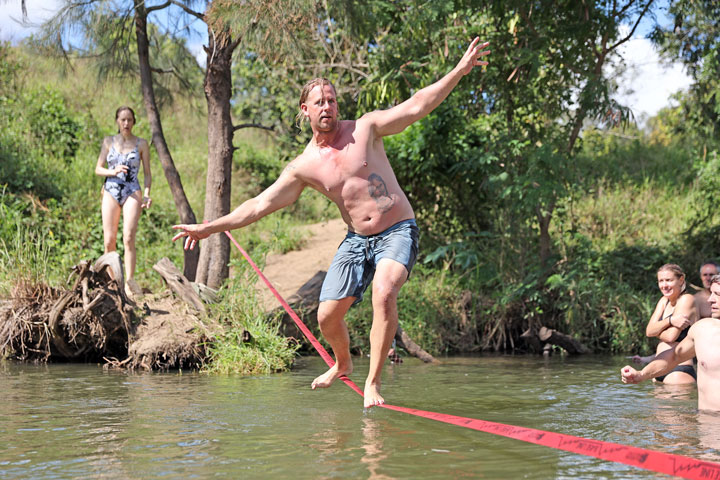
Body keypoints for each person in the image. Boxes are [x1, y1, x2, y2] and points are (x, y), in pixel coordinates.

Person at [172, 38, 491, 408]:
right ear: (305, 110)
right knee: (326, 317)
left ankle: (373, 382)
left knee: (384, 291)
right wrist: (207, 227)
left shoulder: (365, 129)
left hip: (397, 230)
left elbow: (418, 104)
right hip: (357, 240)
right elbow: (259, 205)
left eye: (332, 100)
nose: (327, 107)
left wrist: (459, 70)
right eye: (320, 102)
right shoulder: (303, 167)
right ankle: (343, 363)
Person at [621, 273, 720, 411]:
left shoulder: (687, 300)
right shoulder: (702, 328)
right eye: (711, 293)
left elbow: (670, 337)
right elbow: (675, 356)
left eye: (717, 294)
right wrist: (641, 375)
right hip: (704, 424)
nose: (710, 300)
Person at [95, 106, 152, 298]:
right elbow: (98, 168)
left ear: (134, 122)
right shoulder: (108, 141)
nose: (126, 123)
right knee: (108, 240)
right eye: (122, 120)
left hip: (132, 191)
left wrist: (147, 194)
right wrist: (113, 171)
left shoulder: (142, 144)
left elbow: (147, 174)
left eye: (129, 120)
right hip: (111, 188)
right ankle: (111, 283)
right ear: (117, 121)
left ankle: (129, 282)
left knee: (128, 237)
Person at [633, 264, 697, 384]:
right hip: (659, 369)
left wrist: (656, 331)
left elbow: (670, 336)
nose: (664, 285)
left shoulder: (686, 299)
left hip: (679, 370)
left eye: (669, 280)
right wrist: (670, 321)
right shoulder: (664, 301)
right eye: (660, 281)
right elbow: (648, 331)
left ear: (681, 280)